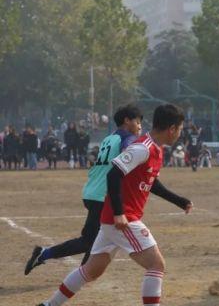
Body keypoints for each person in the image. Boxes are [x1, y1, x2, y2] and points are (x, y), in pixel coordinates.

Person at [35, 104, 191, 306]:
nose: (180, 133)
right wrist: (119, 212)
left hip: (115, 221)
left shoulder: (156, 151)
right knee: (156, 265)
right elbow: (113, 173)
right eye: (180, 128)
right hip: (124, 220)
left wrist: (179, 201)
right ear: (171, 129)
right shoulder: (143, 148)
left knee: (91, 271)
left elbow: (152, 184)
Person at [25, 105, 143, 275]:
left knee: (98, 238)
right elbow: (129, 152)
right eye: (137, 122)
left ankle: (81, 272)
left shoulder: (109, 138)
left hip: (93, 191)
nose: (140, 126)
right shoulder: (128, 138)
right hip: (102, 195)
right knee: (90, 240)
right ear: (127, 121)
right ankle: (46, 255)